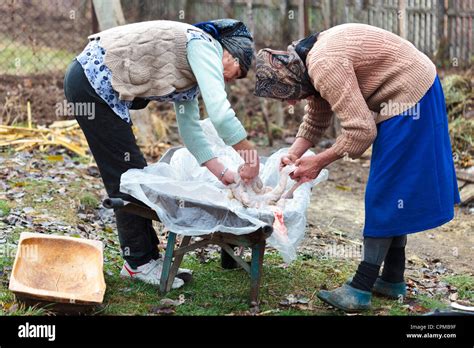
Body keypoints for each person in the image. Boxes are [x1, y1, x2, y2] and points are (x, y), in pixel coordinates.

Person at [254, 23, 460, 312]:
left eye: (287, 93)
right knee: (393, 190)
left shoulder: (324, 64)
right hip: (411, 92)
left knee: (384, 192)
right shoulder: (307, 60)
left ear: (292, 76)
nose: (289, 101)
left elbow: (361, 132)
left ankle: (360, 289)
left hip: (411, 96)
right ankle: (391, 278)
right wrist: (293, 154)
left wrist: (318, 161)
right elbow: (317, 117)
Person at [63, 19, 259, 289]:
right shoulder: (204, 45)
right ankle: (138, 263)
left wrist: (224, 174)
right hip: (90, 83)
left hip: (92, 86)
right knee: (126, 176)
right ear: (229, 53)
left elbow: (190, 132)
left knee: (134, 174)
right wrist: (250, 157)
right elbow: (221, 115)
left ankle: (145, 259)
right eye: (234, 73)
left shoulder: (189, 70)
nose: (229, 80)